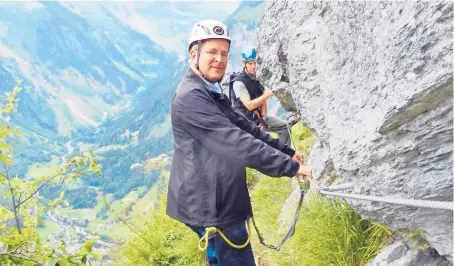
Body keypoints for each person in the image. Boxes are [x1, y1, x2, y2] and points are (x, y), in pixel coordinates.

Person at [166, 19, 312, 266]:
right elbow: (235, 142)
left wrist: (286, 152)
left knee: (220, 257)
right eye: (212, 52)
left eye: (224, 53)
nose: (219, 59)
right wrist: (291, 168)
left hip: (213, 195)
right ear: (194, 53)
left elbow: (244, 126)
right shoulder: (190, 97)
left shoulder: (209, 90)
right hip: (211, 204)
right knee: (235, 257)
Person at [231, 47, 292, 147]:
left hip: (257, 118)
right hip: (244, 122)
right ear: (244, 64)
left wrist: (263, 118)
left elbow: (262, 99)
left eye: (255, 63)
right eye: (250, 63)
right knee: (262, 145)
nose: (254, 66)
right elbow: (249, 105)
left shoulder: (257, 78)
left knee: (284, 127)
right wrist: (267, 95)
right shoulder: (239, 82)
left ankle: (284, 157)